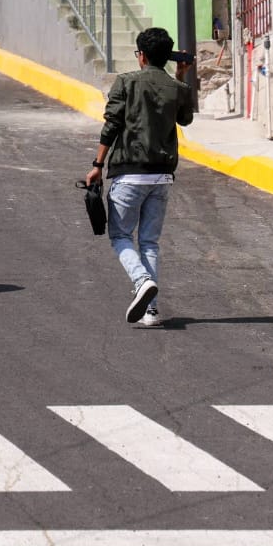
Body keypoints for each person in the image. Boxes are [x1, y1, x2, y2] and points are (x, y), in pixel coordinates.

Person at [85, 27, 196, 327]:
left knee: (121, 236)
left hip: (128, 173)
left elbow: (111, 125)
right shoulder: (176, 87)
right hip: (161, 177)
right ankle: (151, 311)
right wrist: (182, 76)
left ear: (142, 56)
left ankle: (141, 279)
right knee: (149, 242)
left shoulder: (126, 82)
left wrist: (97, 164)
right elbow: (184, 117)